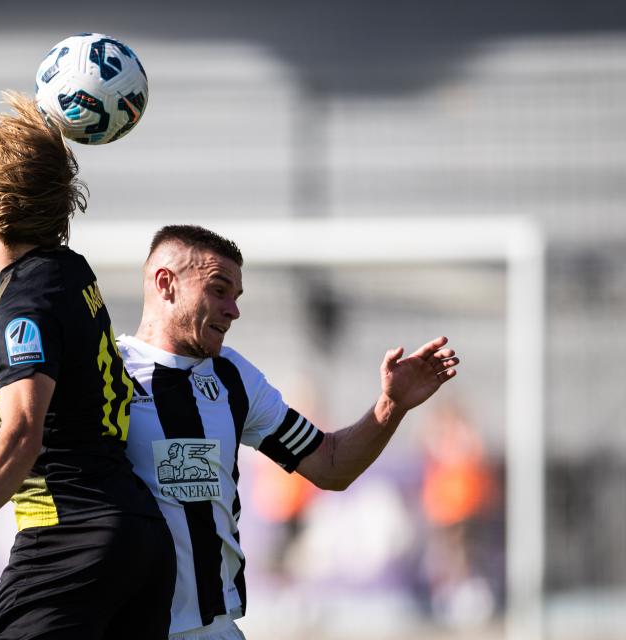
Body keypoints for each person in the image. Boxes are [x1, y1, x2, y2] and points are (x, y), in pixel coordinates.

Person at [0, 92, 175, 640]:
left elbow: (24, 432)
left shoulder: (25, 304)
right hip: (135, 536)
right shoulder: (71, 273)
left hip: (70, 541)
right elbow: (63, 434)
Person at [117, 224, 459, 639]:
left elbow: (331, 465)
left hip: (216, 629)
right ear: (165, 284)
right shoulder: (106, 374)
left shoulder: (233, 377)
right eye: (219, 290)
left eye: (237, 296)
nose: (233, 310)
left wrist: (392, 405)